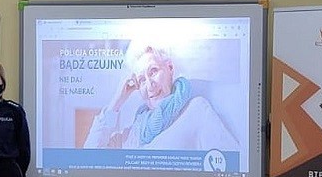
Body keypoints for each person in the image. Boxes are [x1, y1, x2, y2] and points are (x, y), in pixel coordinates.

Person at [84, 44, 240, 152]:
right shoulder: (135, 131)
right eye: (142, 80)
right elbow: (90, 157)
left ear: (170, 68)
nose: (149, 85)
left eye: (153, 71)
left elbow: (229, 164)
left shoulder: (197, 110)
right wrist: (116, 102)